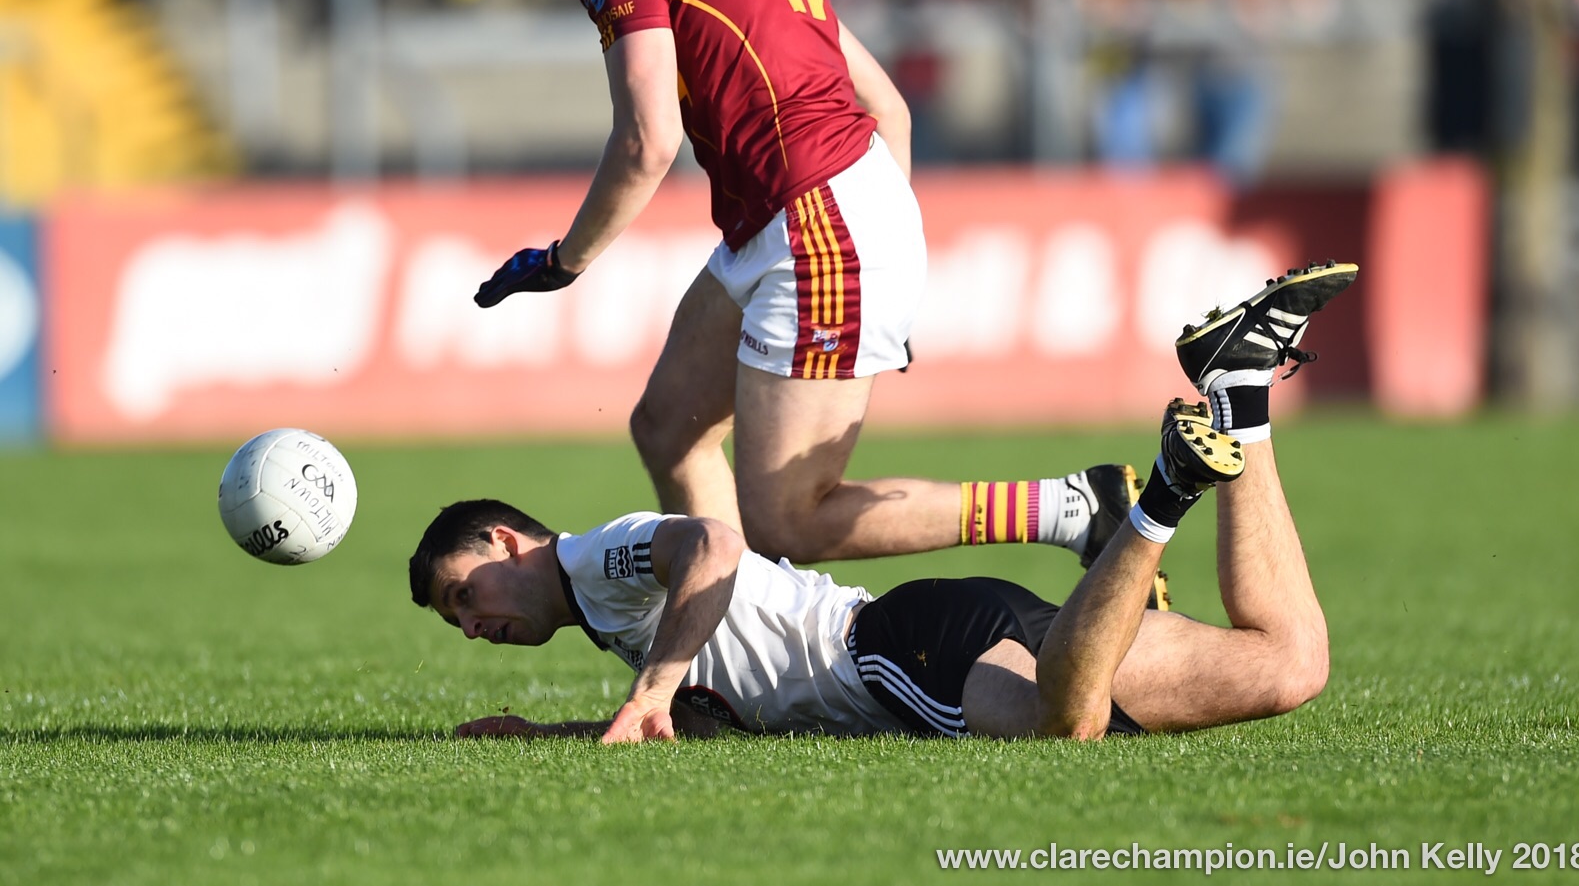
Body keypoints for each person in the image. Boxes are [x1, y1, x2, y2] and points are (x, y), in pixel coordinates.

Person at [473, 0, 1117, 566]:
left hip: (813, 221)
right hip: (814, 215)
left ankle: (1073, 509)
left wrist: (566, 260)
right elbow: (890, 109)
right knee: (668, 426)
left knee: (787, 519)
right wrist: (893, 263)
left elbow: (646, 141)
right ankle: (731, 662)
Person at [414, 263, 1357, 743]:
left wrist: (652, 686)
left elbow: (709, 545)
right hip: (959, 619)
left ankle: (1159, 498)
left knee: (1064, 726)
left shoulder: (589, 559)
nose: (471, 623)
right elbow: (702, 708)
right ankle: (1243, 389)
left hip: (893, 653)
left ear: (509, 541)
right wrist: (579, 726)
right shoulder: (615, 618)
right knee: (1289, 666)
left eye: (466, 593)